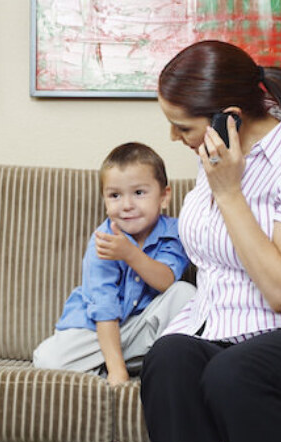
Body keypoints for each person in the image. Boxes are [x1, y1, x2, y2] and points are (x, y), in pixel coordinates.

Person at [140, 40, 281, 442]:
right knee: (167, 359)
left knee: (231, 374)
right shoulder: (215, 151)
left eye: (182, 126)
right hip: (213, 327)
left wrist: (230, 194)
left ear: (230, 119)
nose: (173, 136)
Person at [33, 142, 194, 386]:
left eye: (139, 193)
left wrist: (131, 254)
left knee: (186, 294)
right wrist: (117, 371)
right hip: (98, 331)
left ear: (164, 196)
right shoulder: (103, 241)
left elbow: (166, 281)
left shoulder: (174, 232)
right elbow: (104, 307)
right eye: (115, 195)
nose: (127, 205)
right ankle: (119, 361)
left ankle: (138, 360)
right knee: (47, 359)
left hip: (141, 327)